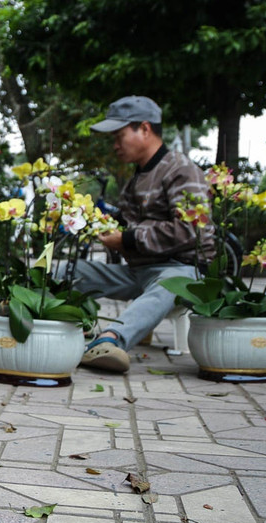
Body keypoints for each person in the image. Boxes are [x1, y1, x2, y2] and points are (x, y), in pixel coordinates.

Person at [75, 96, 214, 372]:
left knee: (168, 285)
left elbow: (192, 229)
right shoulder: (136, 179)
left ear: (145, 129)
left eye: (119, 136)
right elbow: (127, 226)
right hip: (138, 272)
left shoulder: (181, 170)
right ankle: (38, 321)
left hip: (182, 271)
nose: (115, 145)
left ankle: (110, 341)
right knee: (68, 271)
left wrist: (127, 239)